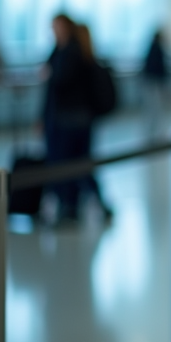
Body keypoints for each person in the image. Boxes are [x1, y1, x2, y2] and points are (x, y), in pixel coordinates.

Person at [43, 16, 110, 222]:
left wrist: (50, 73)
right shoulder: (78, 53)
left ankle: (70, 205)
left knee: (68, 162)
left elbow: (59, 82)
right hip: (78, 118)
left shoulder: (69, 54)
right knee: (81, 162)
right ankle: (81, 203)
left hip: (69, 118)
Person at [142, 29, 171, 138]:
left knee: (153, 109)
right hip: (155, 84)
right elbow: (159, 68)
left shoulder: (152, 48)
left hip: (151, 83)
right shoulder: (157, 49)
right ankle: (155, 133)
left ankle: (153, 133)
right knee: (155, 109)